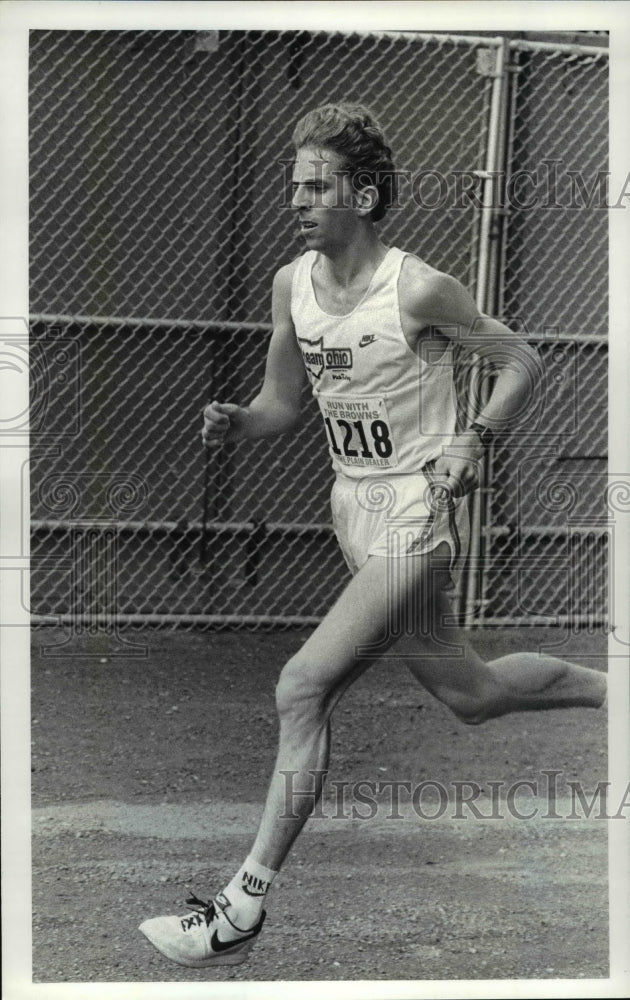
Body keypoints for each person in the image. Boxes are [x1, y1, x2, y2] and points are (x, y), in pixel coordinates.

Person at [139, 103, 607, 968]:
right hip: (353, 511)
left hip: (419, 510)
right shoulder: (293, 285)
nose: (300, 201)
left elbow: (521, 359)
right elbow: (286, 404)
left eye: (316, 186)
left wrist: (477, 438)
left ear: (362, 191)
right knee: (471, 693)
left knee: (301, 684)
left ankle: (240, 909)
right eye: (295, 187)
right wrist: (239, 421)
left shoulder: (420, 289)